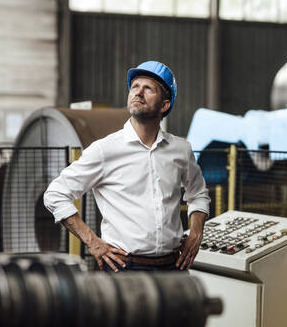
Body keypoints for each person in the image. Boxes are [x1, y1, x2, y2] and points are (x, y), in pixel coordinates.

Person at [44, 61, 210, 272]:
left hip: (174, 267)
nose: (138, 93)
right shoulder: (105, 150)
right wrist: (93, 242)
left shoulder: (181, 150)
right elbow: (55, 194)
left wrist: (196, 233)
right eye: (134, 87)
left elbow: (198, 195)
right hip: (124, 268)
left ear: (164, 105)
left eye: (148, 88)